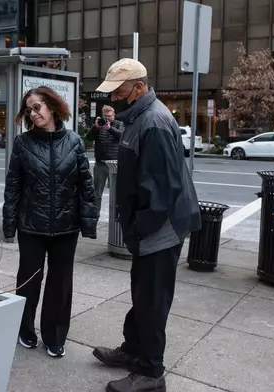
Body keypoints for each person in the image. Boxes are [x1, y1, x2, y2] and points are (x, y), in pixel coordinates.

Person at [91, 58, 201, 392]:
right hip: (151, 224)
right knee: (143, 291)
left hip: (159, 227)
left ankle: (151, 373)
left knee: (152, 298)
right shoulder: (140, 117)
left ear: (139, 87)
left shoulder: (153, 121)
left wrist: (138, 228)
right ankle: (134, 351)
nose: (115, 98)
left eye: (120, 91)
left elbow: (162, 190)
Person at [3, 86, 98, 359]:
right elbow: (13, 187)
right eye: (29, 109)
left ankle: (55, 336)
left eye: (37, 107)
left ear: (52, 107)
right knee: (29, 280)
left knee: (60, 283)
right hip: (31, 225)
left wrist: (88, 224)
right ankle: (25, 329)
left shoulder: (74, 142)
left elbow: (86, 187)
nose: (33, 114)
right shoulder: (23, 144)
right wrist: (10, 224)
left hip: (66, 228)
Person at [85, 105, 124, 214]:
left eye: (109, 116)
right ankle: (95, 215)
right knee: (97, 192)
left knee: (116, 192)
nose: (107, 118)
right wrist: (95, 127)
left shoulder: (119, 124)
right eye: (105, 116)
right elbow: (88, 138)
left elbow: (122, 136)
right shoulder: (99, 125)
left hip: (115, 164)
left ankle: (116, 215)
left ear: (114, 114)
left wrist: (110, 128)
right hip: (100, 163)